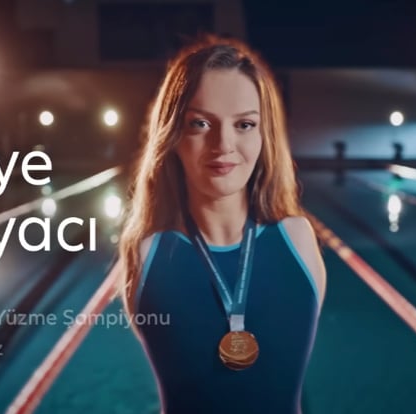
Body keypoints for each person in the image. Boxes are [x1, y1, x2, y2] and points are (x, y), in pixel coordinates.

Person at [115, 34, 326, 413]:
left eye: (244, 124)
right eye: (200, 123)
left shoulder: (298, 241)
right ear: (173, 136)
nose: (223, 144)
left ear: (265, 135)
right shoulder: (148, 254)